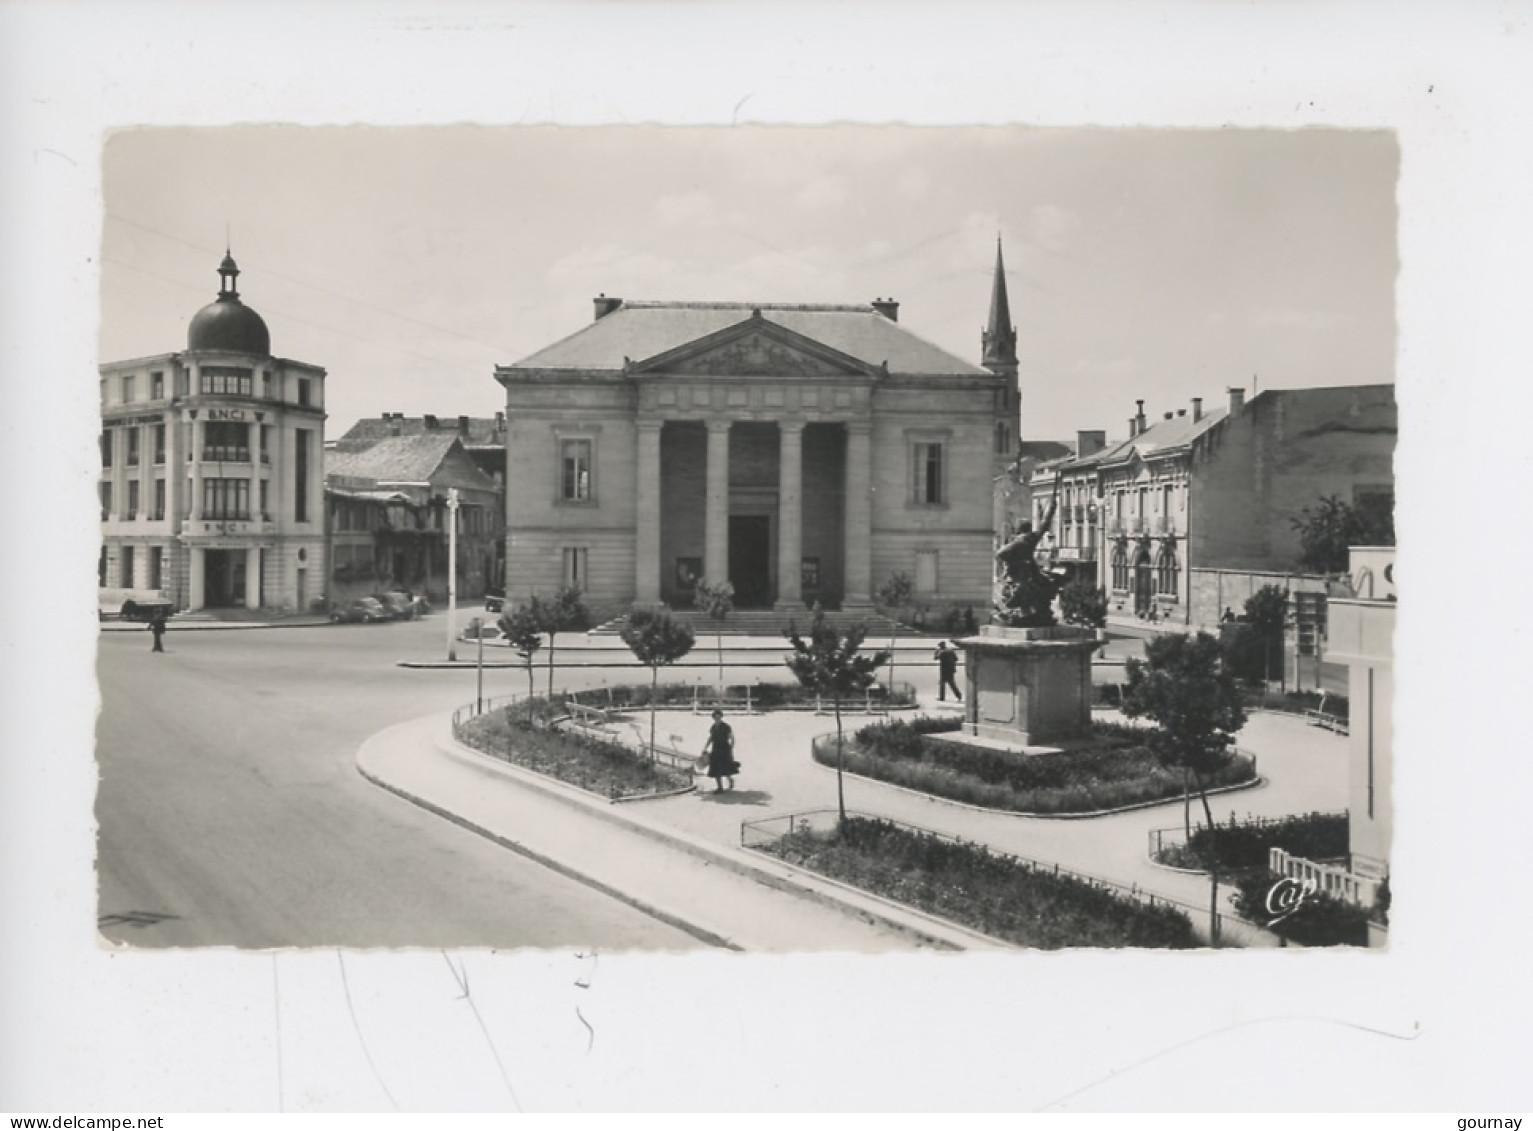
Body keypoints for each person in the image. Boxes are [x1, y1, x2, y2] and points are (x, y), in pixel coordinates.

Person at [701, 709, 739, 792]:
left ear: (721, 717)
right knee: (715, 768)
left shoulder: (726, 726)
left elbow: (731, 737)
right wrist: (705, 747)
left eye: (718, 717)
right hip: (715, 748)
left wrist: (731, 748)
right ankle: (720, 787)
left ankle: (730, 780)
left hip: (725, 748)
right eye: (715, 717)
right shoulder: (713, 727)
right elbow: (711, 738)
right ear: (713, 718)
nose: (717, 719)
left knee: (726, 768)